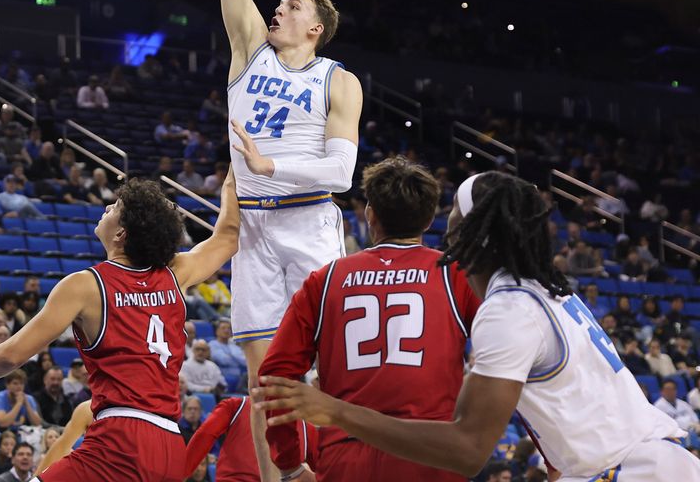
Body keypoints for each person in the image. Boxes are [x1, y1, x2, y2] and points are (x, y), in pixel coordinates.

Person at [253, 171, 700, 482]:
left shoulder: (509, 309)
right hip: (640, 460)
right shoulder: (546, 289)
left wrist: (333, 413)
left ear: (474, 238)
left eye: (452, 231)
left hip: (624, 469)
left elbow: (468, 449)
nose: (444, 244)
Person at [196, 0, 362, 481]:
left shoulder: (337, 79)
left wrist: (271, 166)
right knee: (265, 381)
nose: (278, 11)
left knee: (333, 374)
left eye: (291, 7)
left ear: (314, 28)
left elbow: (345, 172)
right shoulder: (247, 54)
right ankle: (283, 479)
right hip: (259, 232)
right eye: (281, 3)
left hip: (315, 220)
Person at [0, 175, 242, 482]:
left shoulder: (85, 286)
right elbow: (227, 237)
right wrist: (233, 174)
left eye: (116, 207)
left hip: (120, 440)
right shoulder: (175, 273)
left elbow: (11, 356)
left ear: (122, 234)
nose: (108, 206)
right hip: (170, 443)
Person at [251, 157, 480, 481]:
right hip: (429, 452)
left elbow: (274, 375)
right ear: (430, 220)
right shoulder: (455, 275)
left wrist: (289, 464)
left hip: (347, 454)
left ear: (370, 215)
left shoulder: (325, 279)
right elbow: (506, 352)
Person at [184, 397, 317, 482]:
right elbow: (328, 473)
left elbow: (204, 436)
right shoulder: (306, 429)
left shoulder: (236, 405)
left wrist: (180, 474)